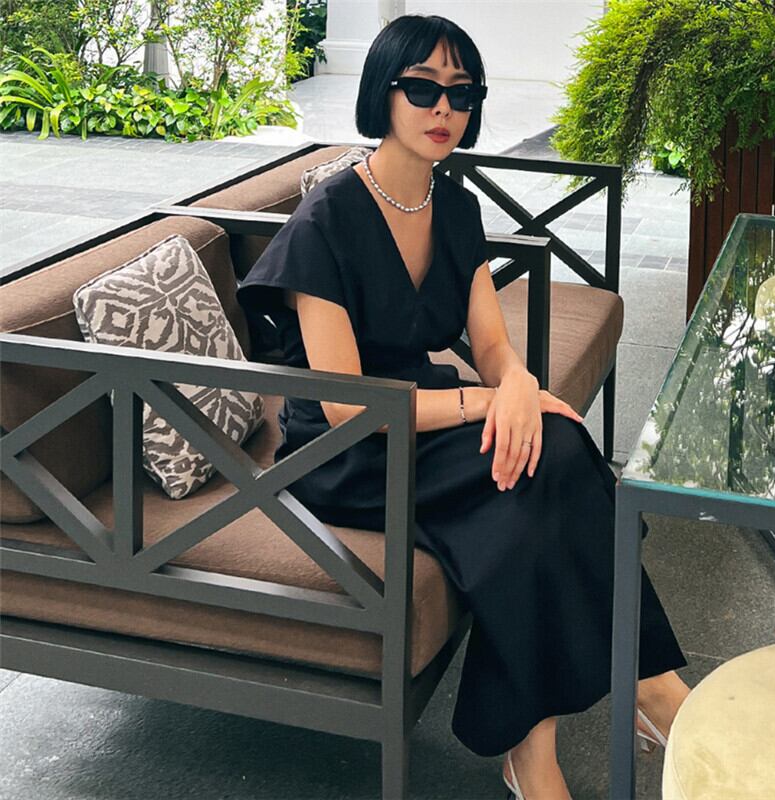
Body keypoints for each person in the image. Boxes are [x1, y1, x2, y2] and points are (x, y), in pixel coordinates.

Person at [237, 14, 691, 800]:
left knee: (548, 461)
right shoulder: (327, 219)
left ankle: (562, 731)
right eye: (422, 88)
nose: (443, 107)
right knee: (542, 477)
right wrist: (487, 402)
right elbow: (345, 407)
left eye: (462, 91)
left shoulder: (452, 206)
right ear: (383, 94)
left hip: (426, 416)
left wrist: (516, 385)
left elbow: (489, 342)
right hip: (347, 451)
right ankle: (635, 695)